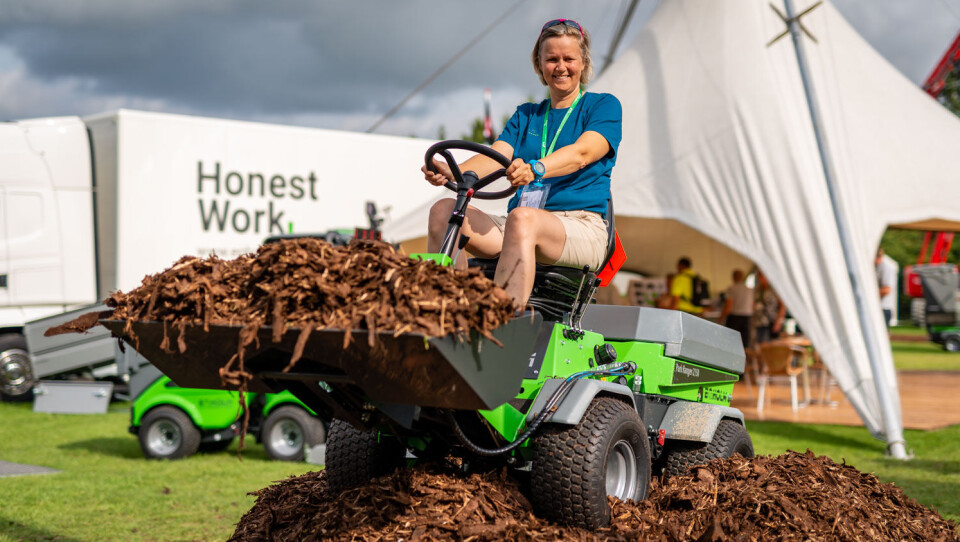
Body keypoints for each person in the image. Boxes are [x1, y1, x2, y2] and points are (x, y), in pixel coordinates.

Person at [422, 19, 622, 311]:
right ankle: (451, 311)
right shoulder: (527, 115)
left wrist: (536, 168)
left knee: (522, 218)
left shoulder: (603, 106)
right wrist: (452, 170)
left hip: (580, 226)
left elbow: (582, 153)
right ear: (539, 64)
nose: (561, 66)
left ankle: (500, 321)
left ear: (584, 62)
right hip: (523, 224)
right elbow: (493, 157)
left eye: (569, 58)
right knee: (444, 211)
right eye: (552, 59)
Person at [719, 269, 753, 347]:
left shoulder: (732, 288)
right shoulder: (749, 289)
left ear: (733, 277)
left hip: (735, 317)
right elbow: (752, 305)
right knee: (744, 343)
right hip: (747, 317)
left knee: (732, 342)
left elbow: (728, 305)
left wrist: (721, 317)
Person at [753, 270, 785, 344]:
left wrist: (779, 321)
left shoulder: (774, 289)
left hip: (771, 321)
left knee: (768, 344)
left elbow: (782, 306)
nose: (759, 279)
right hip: (759, 321)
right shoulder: (758, 289)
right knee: (759, 344)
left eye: (761, 276)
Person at [875, 248, 897, 327]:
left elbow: (886, 290)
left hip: (883, 307)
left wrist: (868, 294)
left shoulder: (887, 266)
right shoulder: (879, 265)